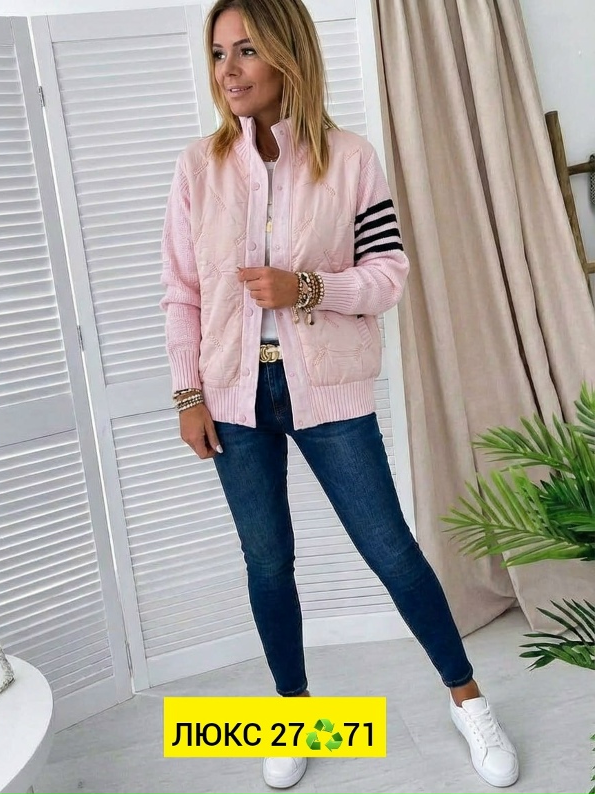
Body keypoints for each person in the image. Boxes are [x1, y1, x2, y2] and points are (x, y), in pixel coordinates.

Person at [160, 0, 519, 788]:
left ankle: (469, 702)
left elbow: (388, 275)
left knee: (391, 550)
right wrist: (188, 392)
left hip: (329, 391)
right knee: (267, 561)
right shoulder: (198, 168)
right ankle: (294, 716)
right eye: (218, 53)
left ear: (287, 53)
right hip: (233, 398)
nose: (228, 70)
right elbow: (181, 291)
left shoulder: (351, 159)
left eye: (246, 50)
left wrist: (307, 287)